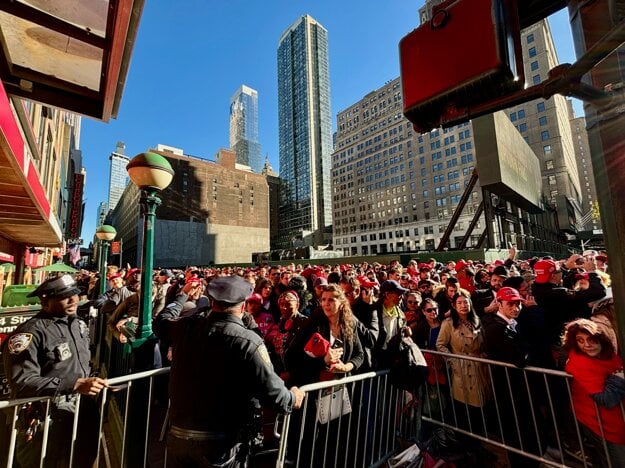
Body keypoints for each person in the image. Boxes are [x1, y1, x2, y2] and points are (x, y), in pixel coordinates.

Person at [153, 275, 305, 467]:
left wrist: (182, 295)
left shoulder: (186, 327)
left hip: (179, 438)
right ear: (243, 307)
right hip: (220, 445)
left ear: (213, 301)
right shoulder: (247, 341)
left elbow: (161, 321)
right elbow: (274, 394)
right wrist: (293, 397)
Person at [2, 275, 107, 468]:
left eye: (75, 294)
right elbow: (22, 381)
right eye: (65, 296)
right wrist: (74, 384)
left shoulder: (77, 324)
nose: (73, 300)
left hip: (81, 411)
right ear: (45, 301)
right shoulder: (29, 333)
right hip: (47, 417)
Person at [563, 319, 625, 467]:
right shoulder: (580, 363)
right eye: (580, 340)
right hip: (602, 424)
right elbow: (606, 399)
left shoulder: (609, 355)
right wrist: (618, 378)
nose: (587, 345)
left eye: (591, 339)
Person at [436, 292, 490, 434]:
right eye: (459, 303)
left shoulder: (476, 320)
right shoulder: (448, 323)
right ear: (454, 306)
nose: (463, 306)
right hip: (462, 370)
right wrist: (453, 361)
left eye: (465, 302)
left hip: (480, 368)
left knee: (481, 409)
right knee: (465, 409)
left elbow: (483, 343)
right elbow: (440, 345)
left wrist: (483, 355)